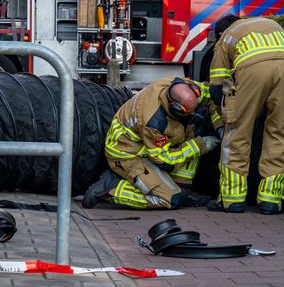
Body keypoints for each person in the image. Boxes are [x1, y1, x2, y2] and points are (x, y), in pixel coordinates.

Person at [206, 14, 284, 214]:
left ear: (221, 33)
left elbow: (216, 88)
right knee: (279, 131)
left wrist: (229, 109)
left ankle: (231, 199)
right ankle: (271, 200)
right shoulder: (270, 24)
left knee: (237, 132)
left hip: (252, 68)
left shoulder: (226, 37)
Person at [83, 77, 219, 210]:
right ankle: (111, 188)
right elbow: (165, 160)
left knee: (190, 132)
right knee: (168, 199)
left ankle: (182, 190)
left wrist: (221, 127)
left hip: (147, 147)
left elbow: (210, 93)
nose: (194, 114)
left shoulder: (177, 86)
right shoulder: (153, 122)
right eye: (189, 113)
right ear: (176, 108)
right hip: (127, 155)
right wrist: (200, 146)